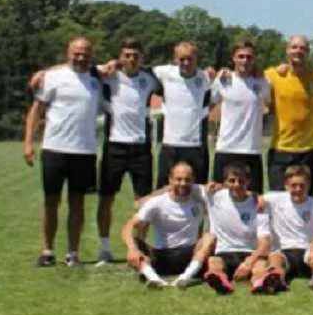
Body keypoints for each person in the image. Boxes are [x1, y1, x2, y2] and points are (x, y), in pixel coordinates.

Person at [23, 36, 102, 267]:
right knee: (51, 201)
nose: (80, 57)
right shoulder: (52, 77)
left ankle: (73, 253)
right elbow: (36, 111)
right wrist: (28, 143)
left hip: (85, 151)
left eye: (85, 53)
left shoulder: (98, 79)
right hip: (54, 148)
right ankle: (47, 251)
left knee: (78, 203)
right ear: (68, 53)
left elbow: (119, 65)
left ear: (91, 55)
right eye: (76, 53)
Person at [91, 38, 161, 265]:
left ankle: (138, 247)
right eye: (127, 55)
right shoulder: (108, 75)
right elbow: (82, 68)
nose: (131, 59)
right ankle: (105, 249)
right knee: (106, 199)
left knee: (144, 202)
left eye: (135, 55)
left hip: (141, 148)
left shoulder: (150, 79)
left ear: (142, 58)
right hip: (114, 146)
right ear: (120, 56)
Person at [264, 35, 313, 193]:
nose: (298, 51)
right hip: (280, 150)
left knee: (306, 201)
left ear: (308, 52)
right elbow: (251, 75)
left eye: (302, 48)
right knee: (278, 200)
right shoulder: (274, 75)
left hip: (308, 152)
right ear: (287, 50)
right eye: (294, 47)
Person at [120, 162, 209, 288]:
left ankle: (185, 278)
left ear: (193, 180)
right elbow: (129, 225)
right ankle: (154, 279)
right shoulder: (157, 202)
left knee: (209, 238)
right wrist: (131, 248)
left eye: (187, 180)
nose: (183, 183)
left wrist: (216, 186)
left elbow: (226, 189)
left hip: (190, 254)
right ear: (170, 180)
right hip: (162, 256)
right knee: (136, 243)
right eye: (178, 179)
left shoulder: (200, 196)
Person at [201, 163, 275, 295]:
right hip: (224, 252)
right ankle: (221, 283)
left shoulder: (258, 204)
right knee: (214, 262)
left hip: (250, 252)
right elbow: (177, 187)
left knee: (260, 267)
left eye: (241, 181)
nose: (237, 185)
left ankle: (260, 284)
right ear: (224, 182)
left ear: (248, 182)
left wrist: (248, 263)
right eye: (232, 180)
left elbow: (265, 243)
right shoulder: (213, 196)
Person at [210, 40, 270, 192]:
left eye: (249, 57)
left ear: (254, 59)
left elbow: (271, 105)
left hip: (251, 150)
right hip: (226, 148)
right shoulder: (223, 80)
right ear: (233, 58)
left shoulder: (262, 82)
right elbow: (209, 105)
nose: (245, 60)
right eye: (241, 56)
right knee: (220, 197)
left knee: (254, 198)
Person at [262, 165, 313, 291]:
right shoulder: (274, 198)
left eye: (302, 185)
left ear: (309, 185)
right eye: (294, 185)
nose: (298, 189)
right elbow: (253, 198)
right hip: (284, 251)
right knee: (275, 257)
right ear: (286, 185)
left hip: (309, 252)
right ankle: (277, 279)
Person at [154, 41, 212, 185]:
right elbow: (139, 70)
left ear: (196, 59)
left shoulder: (205, 78)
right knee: (164, 190)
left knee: (198, 190)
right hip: (170, 144)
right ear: (175, 59)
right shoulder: (164, 73)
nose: (186, 63)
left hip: (195, 145)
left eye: (190, 59)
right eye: (182, 59)